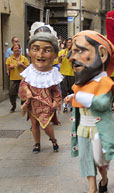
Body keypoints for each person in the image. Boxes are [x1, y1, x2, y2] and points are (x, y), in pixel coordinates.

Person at [65, 30, 114, 193]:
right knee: (85, 159)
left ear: (101, 54)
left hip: (98, 130)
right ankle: (92, 188)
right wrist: (74, 96)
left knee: (100, 161)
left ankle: (104, 179)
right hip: (83, 129)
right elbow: (82, 96)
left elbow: (101, 103)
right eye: (72, 52)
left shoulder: (105, 82)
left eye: (80, 51)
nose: (72, 58)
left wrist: (78, 97)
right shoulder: (82, 83)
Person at [18, 22, 63, 154]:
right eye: (36, 49)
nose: (40, 54)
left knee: (45, 124)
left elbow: (56, 90)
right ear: (30, 52)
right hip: (32, 102)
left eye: (47, 50)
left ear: (54, 54)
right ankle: (37, 144)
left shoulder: (52, 74)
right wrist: (27, 91)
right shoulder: (29, 72)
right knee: (34, 124)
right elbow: (24, 84)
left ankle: (53, 140)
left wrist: (56, 102)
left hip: (46, 104)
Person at [5, 43, 29, 112]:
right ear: (12, 50)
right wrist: (10, 67)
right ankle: (13, 105)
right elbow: (7, 70)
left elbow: (28, 68)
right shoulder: (9, 59)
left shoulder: (24, 58)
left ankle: (23, 105)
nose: (17, 49)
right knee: (11, 93)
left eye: (18, 48)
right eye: (15, 48)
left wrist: (22, 64)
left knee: (23, 93)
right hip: (13, 78)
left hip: (22, 78)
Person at [58, 37, 75, 113]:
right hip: (64, 73)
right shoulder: (62, 52)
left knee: (72, 91)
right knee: (64, 91)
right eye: (68, 42)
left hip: (72, 73)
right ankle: (65, 106)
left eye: (70, 42)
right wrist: (60, 57)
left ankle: (71, 106)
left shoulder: (75, 52)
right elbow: (59, 61)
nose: (69, 44)